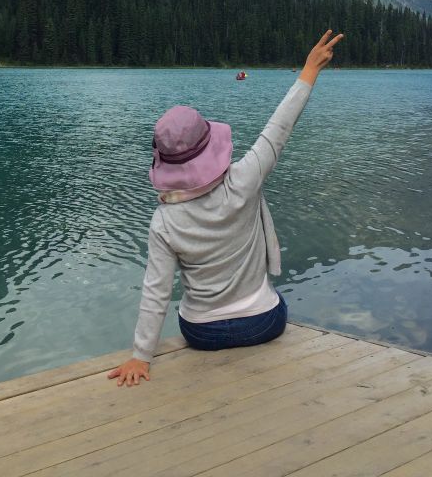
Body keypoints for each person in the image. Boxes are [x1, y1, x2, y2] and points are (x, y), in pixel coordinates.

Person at [107, 29, 343, 387]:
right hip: (263, 323)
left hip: (201, 333)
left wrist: (141, 356)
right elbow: (279, 127)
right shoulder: (245, 178)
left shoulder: (164, 221)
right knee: (277, 301)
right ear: (210, 146)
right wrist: (309, 70)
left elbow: (156, 291)